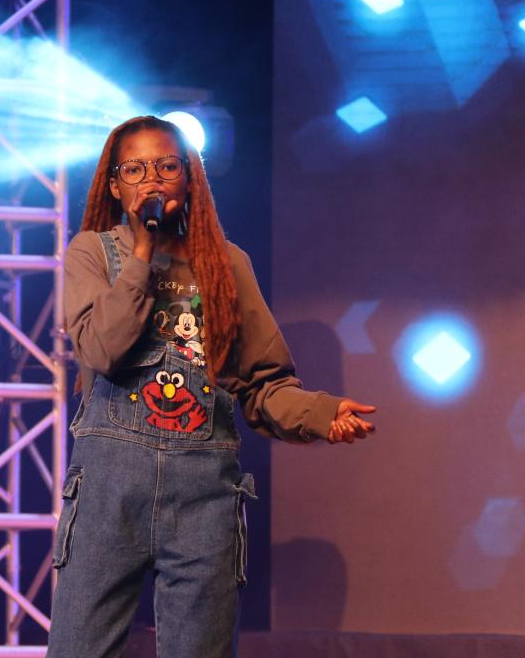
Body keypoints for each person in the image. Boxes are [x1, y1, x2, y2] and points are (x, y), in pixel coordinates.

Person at [47, 115, 376, 657]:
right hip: (109, 493)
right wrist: (142, 254)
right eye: (135, 169)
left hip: (203, 497)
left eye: (166, 166)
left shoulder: (227, 263)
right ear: (114, 185)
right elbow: (102, 349)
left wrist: (321, 413)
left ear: (190, 178)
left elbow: (262, 383)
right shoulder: (92, 252)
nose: (151, 180)